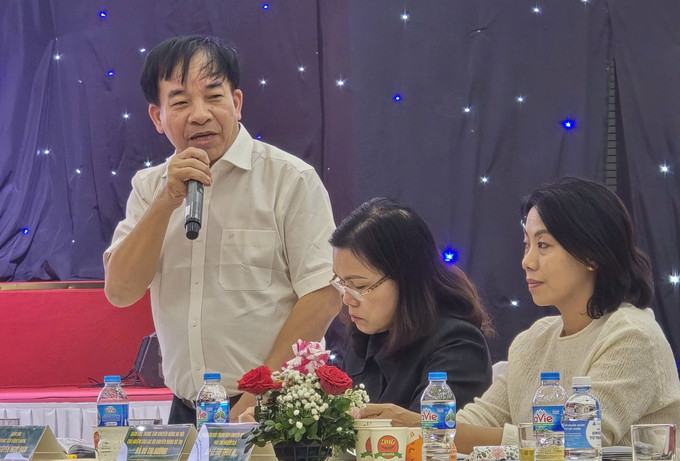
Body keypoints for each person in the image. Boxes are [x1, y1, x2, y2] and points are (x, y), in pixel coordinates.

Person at [103, 35, 340, 423]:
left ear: (237, 103)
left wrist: (259, 393)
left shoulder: (290, 179)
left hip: (274, 407)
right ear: (157, 117)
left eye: (213, 96)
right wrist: (166, 201)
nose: (199, 114)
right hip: (187, 410)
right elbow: (120, 291)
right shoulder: (150, 188)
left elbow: (323, 295)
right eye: (179, 102)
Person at [454, 177, 680, 453]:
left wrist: (436, 431)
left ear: (591, 255)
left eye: (543, 245)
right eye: (527, 244)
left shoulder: (632, 336)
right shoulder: (534, 339)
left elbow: (575, 443)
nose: (527, 261)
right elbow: (481, 419)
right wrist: (418, 426)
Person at [330, 198, 494, 426]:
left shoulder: (458, 345)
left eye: (359, 286)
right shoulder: (365, 334)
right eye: (342, 283)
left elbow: (430, 440)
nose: (348, 299)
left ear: (408, 280)